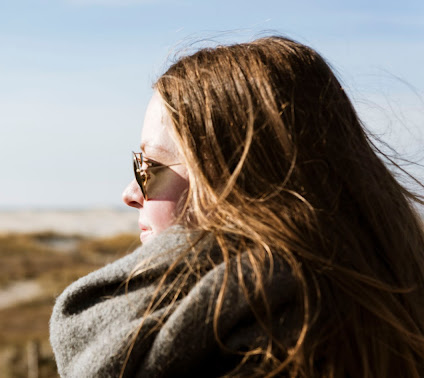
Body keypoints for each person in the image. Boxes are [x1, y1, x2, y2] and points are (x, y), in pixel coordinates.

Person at [50, 36, 424, 377]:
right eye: (137, 162)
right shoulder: (383, 311)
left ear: (237, 187)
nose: (130, 192)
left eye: (151, 166)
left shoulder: (245, 356)